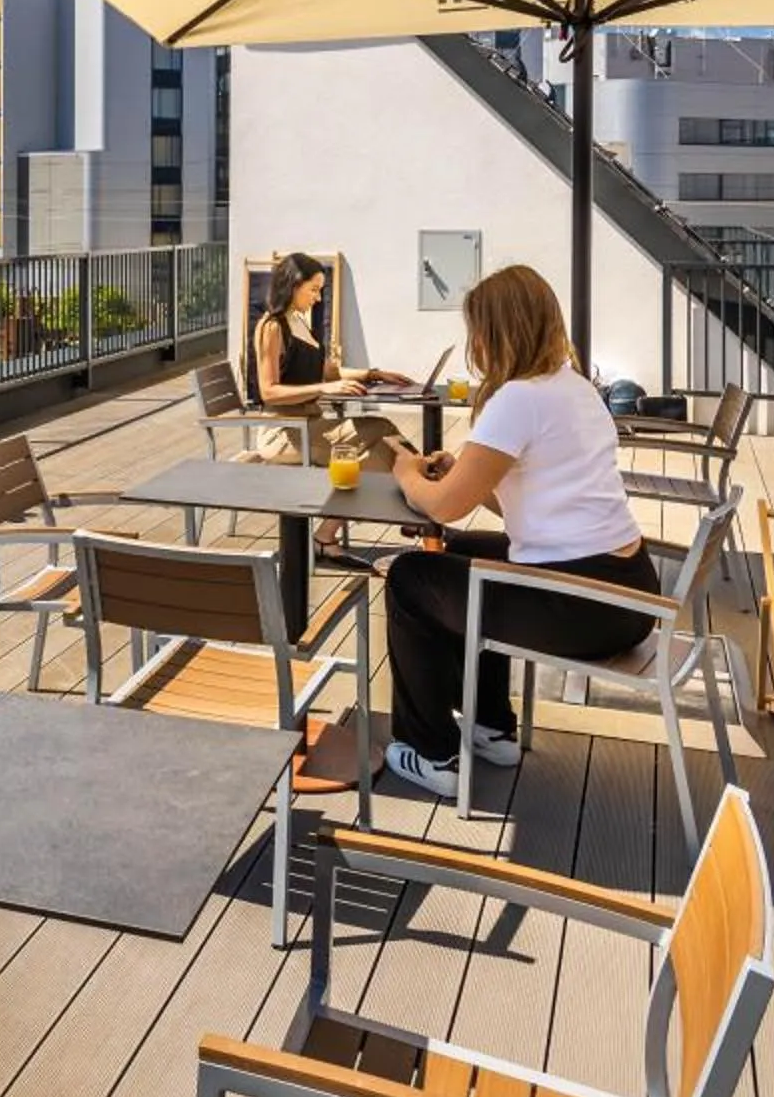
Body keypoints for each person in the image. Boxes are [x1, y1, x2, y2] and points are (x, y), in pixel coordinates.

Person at [380, 264, 661, 801]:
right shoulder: (575, 388)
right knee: (464, 554)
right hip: (627, 593)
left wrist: (406, 472)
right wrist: (466, 472)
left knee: (411, 577)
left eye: (477, 331)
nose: (475, 345)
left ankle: (430, 751)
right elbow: (524, 498)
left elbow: (446, 505)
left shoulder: (517, 399)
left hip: (581, 607)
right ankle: (491, 725)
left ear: (495, 332)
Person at [248, 251, 410, 562]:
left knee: (381, 444)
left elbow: (327, 371)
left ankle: (327, 536)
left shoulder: (298, 321)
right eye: (313, 289)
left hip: (310, 425)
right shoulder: (272, 326)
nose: (318, 297)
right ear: (293, 285)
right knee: (381, 436)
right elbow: (268, 392)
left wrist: (372, 374)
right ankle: (420, 507)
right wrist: (325, 388)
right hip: (284, 432)